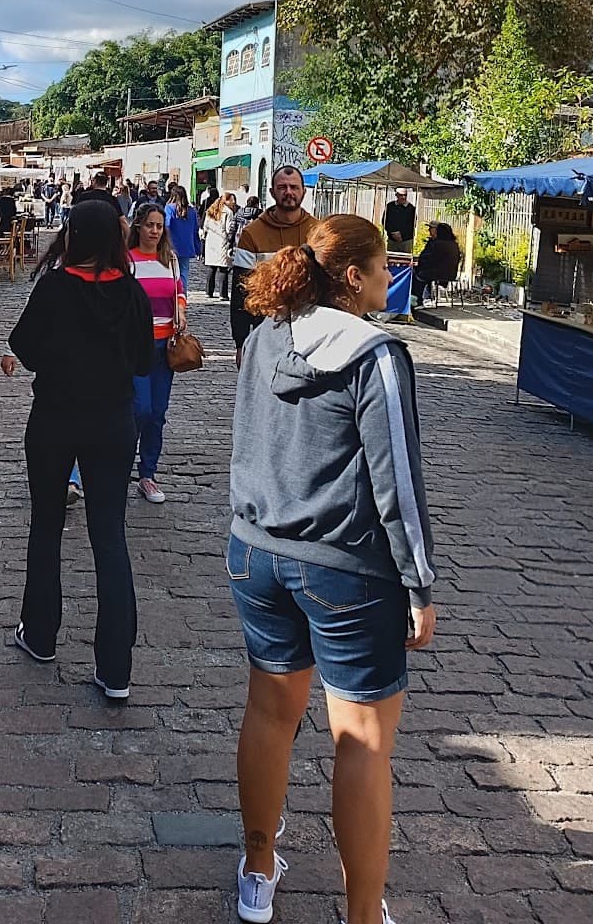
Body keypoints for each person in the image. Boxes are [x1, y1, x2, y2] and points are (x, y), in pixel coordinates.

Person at [228, 215, 436, 924]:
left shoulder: (262, 336)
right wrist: (419, 582)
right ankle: (363, 914)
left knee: (267, 713)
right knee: (364, 743)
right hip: (345, 567)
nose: (389, 278)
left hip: (255, 552)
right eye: (383, 267)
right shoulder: (373, 354)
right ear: (353, 276)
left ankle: (258, 869)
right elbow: (397, 480)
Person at [2, 201, 152, 699]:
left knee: (46, 525)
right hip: (112, 422)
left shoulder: (54, 287)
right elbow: (142, 360)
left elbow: (25, 347)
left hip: (55, 418)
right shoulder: (130, 292)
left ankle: (40, 634)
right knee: (109, 535)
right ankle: (116, 669)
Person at [127, 201, 188, 504]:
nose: (154, 230)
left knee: (158, 414)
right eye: (149, 225)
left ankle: (147, 473)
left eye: (159, 226)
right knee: (140, 408)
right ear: (138, 226)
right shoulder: (127, 260)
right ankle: (122, 461)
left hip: (166, 346)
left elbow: (179, 291)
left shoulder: (171, 260)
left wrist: (180, 308)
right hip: (135, 347)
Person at [231, 167, 320, 364]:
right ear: (272, 192)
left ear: (303, 192)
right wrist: (240, 343)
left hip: (310, 330)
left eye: (294, 187)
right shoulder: (252, 234)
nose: (289, 192)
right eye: (282, 187)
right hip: (267, 330)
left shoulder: (318, 232)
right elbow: (241, 291)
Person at [412, 222, 461, 306]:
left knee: (417, 275)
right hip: (452, 274)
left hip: (438, 273)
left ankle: (416, 300)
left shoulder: (438, 244)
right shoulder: (454, 245)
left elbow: (429, 259)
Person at [203, 192, 238, 301]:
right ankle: (223, 294)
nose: (233, 202)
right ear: (225, 201)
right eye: (231, 200)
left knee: (211, 267)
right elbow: (229, 229)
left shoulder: (211, 210)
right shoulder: (228, 212)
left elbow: (205, 226)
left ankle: (209, 291)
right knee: (223, 267)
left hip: (211, 240)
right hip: (222, 240)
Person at [165, 185, 202, 274]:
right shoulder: (192, 211)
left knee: (172, 272)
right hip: (187, 246)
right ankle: (183, 288)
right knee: (183, 272)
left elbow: (167, 226)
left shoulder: (169, 208)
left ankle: (173, 288)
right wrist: (198, 248)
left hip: (172, 245)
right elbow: (195, 230)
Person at [382, 188, 416, 254]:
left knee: (405, 259)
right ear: (396, 195)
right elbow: (385, 221)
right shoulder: (390, 206)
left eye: (405, 195)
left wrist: (402, 236)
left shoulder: (411, 208)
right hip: (392, 239)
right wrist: (393, 233)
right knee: (391, 258)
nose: (403, 197)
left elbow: (413, 224)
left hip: (406, 240)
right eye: (401, 195)